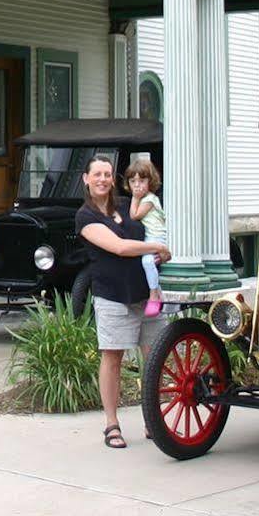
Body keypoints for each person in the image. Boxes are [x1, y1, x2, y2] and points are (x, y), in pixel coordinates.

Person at [73, 153, 170, 449]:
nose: (103, 179)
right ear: (86, 179)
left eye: (107, 174)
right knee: (112, 358)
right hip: (112, 296)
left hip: (147, 295)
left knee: (154, 358)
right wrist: (156, 246)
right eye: (97, 174)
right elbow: (118, 247)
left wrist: (164, 251)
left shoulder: (130, 206)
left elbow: (156, 226)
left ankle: (152, 421)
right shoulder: (86, 216)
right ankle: (111, 424)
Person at [125, 158, 167, 316]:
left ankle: (154, 294)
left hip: (156, 238)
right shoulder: (143, 199)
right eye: (132, 181)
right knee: (148, 264)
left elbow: (134, 215)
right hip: (150, 238)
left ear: (151, 181)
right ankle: (157, 291)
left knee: (147, 261)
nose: (137, 185)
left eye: (141, 180)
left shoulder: (149, 199)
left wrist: (135, 198)